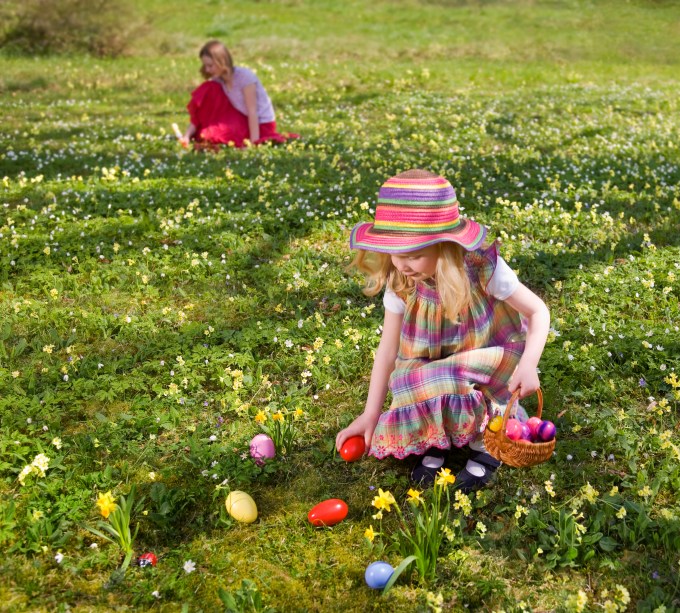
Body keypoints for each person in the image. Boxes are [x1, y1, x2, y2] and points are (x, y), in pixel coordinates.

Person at [334, 169, 550, 492]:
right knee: (408, 378)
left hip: (482, 363)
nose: (403, 265)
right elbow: (388, 351)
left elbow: (538, 311)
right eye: (396, 254)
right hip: (431, 366)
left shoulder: (481, 270)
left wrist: (529, 364)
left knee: (457, 374)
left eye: (415, 255)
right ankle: (437, 436)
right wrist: (370, 414)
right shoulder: (402, 283)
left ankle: (486, 444)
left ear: (445, 246)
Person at [179, 40, 297, 149]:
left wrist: (253, 143)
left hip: (260, 124)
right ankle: (194, 134)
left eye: (210, 65)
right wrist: (187, 135)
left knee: (221, 135)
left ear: (222, 62)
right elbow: (200, 112)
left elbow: (253, 112)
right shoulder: (219, 80)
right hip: (243, 119)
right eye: (205, 66)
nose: (207, 70)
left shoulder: (245, 77)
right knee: (208, 89)